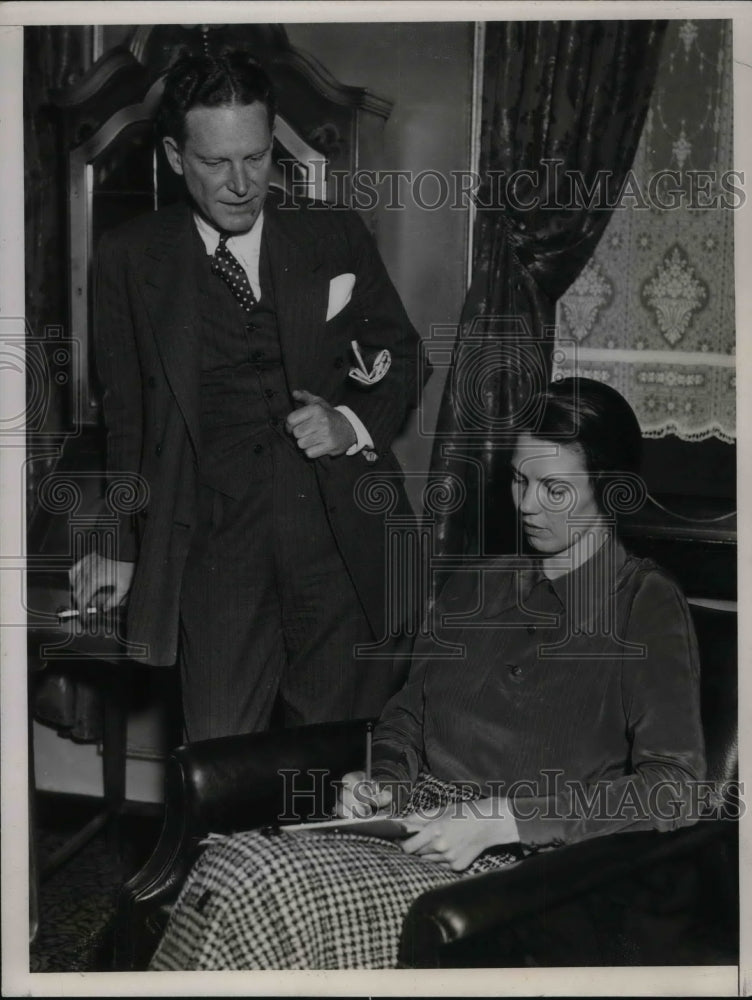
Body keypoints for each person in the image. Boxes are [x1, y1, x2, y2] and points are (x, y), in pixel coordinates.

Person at [149, 377, 707, 970]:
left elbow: (677, 787)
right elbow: (405, 718)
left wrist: (505, 819)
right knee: (233, 863)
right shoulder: (479, 584)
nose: (525, 504)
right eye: (519, 480)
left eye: (554, 489)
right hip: (411, 831)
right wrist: (383, 783)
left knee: (256, 881)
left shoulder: (642, 602)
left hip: (515, 872)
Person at [69, 51, 426, 740]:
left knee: (329, 764)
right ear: (176, 156)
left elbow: (401, 353)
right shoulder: (129, 256)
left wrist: (350, 421)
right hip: (214, 547)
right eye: (215, 163)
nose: (240, 184)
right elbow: (127, 418)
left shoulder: (333, 234)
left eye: (256, 158)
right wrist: (116, 540)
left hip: (338, 540)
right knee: (220, 753)